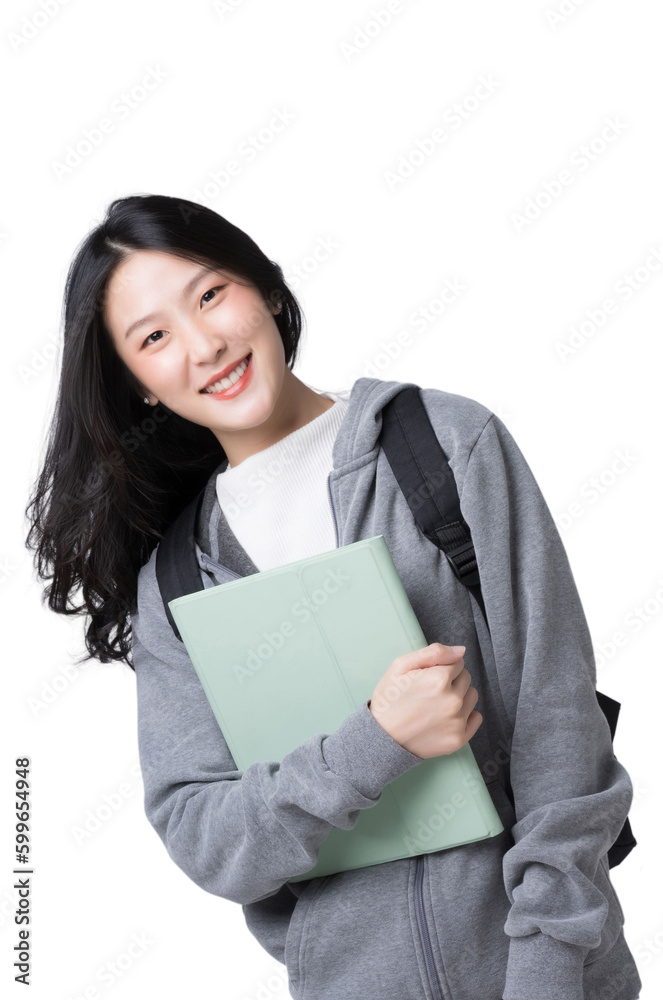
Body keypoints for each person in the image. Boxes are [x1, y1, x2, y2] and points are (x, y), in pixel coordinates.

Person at [25, 193, 642, 1000]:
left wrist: (545, 974)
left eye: (211, 294)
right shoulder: (177, 581)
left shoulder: (443, 445)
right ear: (137, 384)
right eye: (154, 337)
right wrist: (376, 741)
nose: (204, 344)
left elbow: (559, 724)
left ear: (266, 290)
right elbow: (205, 838)